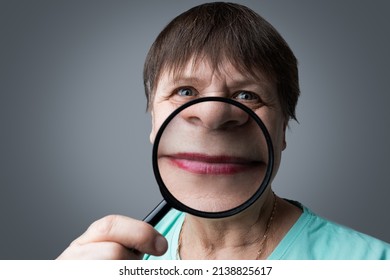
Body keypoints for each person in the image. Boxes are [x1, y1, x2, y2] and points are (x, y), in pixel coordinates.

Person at [57, 2, 390, 260]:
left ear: (283, 131)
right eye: (185, 92)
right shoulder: (108, 264)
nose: (213, 114)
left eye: (248, 95)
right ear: (154, 122)